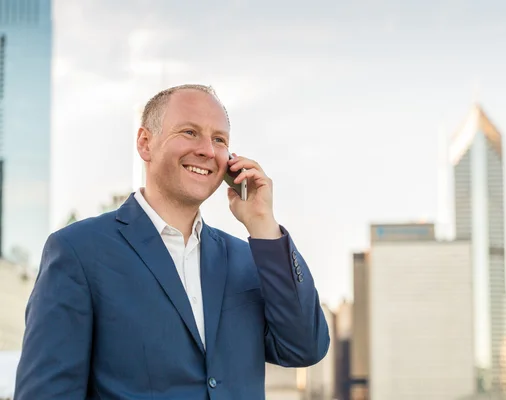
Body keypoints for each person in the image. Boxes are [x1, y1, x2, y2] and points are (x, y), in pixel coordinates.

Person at [14, 84, 330, 399]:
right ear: (145, 144)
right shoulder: (78, 252)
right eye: (189, 132)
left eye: (219, 139)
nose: (208, 149)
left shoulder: (249, 258)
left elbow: (305, 347)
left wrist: (263, 223)